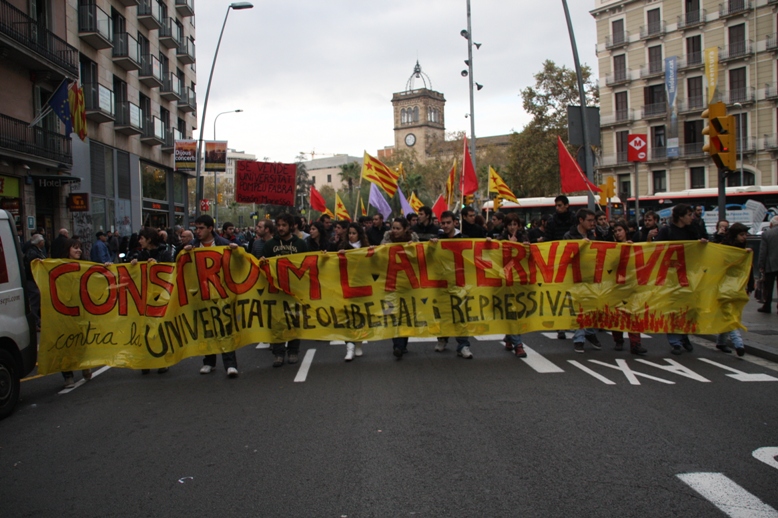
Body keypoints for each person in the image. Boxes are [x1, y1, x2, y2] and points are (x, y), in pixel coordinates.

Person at [186, 215, 240, 378]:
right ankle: (209, 361)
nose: (198, 231)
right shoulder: (193, 246)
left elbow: (238, 264)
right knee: (206, 328)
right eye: (196, 228)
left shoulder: (223, 244)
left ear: (210, 228)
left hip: (221, 292)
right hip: (202, 293)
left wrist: (236, 252)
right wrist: (185, 253)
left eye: (201, 228)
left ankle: (230, 364)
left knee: (224, 326)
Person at [656, 204, 708, 355]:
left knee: (687, 308)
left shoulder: (692, 230)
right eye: (689, 215)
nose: (691, 217)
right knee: (673, 308)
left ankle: (683, 335)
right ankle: (675, 342)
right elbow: (657, 250)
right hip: (672, 276)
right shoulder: (667, 231)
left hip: (689, 275)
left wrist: (702, 244)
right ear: (680, 216)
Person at [262, 213, 308, 367]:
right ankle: (278, 353)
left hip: (295, 290)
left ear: (291, 226)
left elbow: (308, 263)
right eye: (279, 225)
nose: (280, 228)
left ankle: (293, 351)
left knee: (294, 320)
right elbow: (260, 266)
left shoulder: (300, 244)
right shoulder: (269, 245)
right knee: (277, 322)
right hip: (276, 290)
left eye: (284, 225)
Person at [430, 211, 474, 359]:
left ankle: (463, 345)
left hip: (459, 282)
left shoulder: (464, 238)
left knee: (460, 314)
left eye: (448, 222)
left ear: (455, 222)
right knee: (442, 313)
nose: (446, 225)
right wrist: (431, 246)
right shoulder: (438, 239)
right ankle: (442, 339)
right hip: (442, 283)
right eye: (443, 223)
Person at [563, 209, 604, 353]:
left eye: (594, 220)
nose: (593, 223)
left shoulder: (595, 235)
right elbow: (566, 257)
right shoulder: (569, 236)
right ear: (581, 220)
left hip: (592, 277)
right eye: (590, 220)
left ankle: (590, 333)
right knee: (579, 307)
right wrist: (579, 246)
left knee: (591, 306)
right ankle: (579, 339)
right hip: (576, 277)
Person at [610, 221, 647, 355]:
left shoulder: (635, 246)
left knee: (633, 314)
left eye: (620, 230)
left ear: (626, 231)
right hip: (616, 285)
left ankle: (635, 344)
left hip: (632, 285)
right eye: (615, 231)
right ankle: (618, 340)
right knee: (616, 314)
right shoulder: (611, 247)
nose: (617, 233)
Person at [59, 238, 93, 388]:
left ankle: (85, 366)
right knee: (66, 342)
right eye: (75, 248)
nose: (78, 250)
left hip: (81, 310)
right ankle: (68, 375)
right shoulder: (58, 266)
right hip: (65, 310)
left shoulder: (85, 266)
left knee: (82, 340)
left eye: (79, 248)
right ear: (68, 250)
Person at [715, 222, 752, 356]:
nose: (744, 237)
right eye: (741, 235)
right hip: (725, 286)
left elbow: (747, 270)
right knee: (730, 314)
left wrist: (750, 285)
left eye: (745, 235)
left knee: (730, 313)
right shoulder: (726, 248)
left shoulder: (743, 249)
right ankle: (738, 344)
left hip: (736, 286)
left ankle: (721, 341)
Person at [499, 214, 528, 358]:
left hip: (520, 281)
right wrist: (509, 246)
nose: (512, 227)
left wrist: (525, 247)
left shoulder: (524, 238)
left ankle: (510, 337)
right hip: (505, 281)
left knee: (516, 311)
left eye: (515, 224)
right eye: (510, 224)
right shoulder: (500, 239)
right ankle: (518, 345)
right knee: (512, 311)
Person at [340, 222, 367, 361]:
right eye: (349, 233)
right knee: (348, 317)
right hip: (346, 286)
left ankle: (359, 343)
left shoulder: (365, 248)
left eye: (354, 233)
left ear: (359, 234)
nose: (351, 236)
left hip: (362, 287)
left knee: (360, 316)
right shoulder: (343, 247)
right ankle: (349, 347)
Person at [23, 234, 46, 331]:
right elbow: (31, 268)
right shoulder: (33, 253)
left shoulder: (34, 251)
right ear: (40, 242)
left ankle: (37, 320)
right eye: (43, 241)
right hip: (33, 280)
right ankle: (34, 322)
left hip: (34, 280)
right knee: (35, 300)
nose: (44, 242)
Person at [757, 215, 778, 313]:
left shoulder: (767, 234)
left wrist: (761, 265)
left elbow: (763, 251)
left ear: (771, 224)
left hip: (771, 263)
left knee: (768, 286)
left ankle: (767, 305)